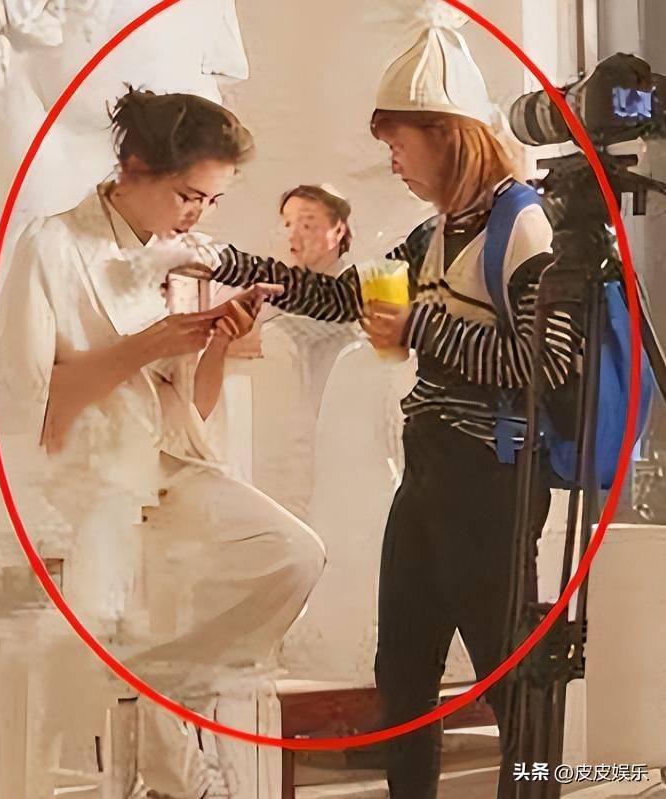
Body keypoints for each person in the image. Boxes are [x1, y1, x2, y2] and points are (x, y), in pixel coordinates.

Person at [183, 23, 581, 798]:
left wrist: (420, 327)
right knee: (401, 674)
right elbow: (343, 297)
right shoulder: (433, 234)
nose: (392, 160)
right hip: (428, 473)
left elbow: (545, 365)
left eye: (400, 143)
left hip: (492, 481)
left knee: (509, 683)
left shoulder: (524, 225)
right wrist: (227, 261)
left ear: (447, 136)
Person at [0, 88, 326, 799]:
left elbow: (189, 410)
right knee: (139, 594)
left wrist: (215, 344)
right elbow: (29, 409)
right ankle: (171, 753)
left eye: (211, 200)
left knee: (294, 554)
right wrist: (146, 344)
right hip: (82, 477)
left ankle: (147, 681)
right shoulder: (51, 245)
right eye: (187, 195)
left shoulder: (179, 259)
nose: (197, 214)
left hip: (168, 467)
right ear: (135, 166)